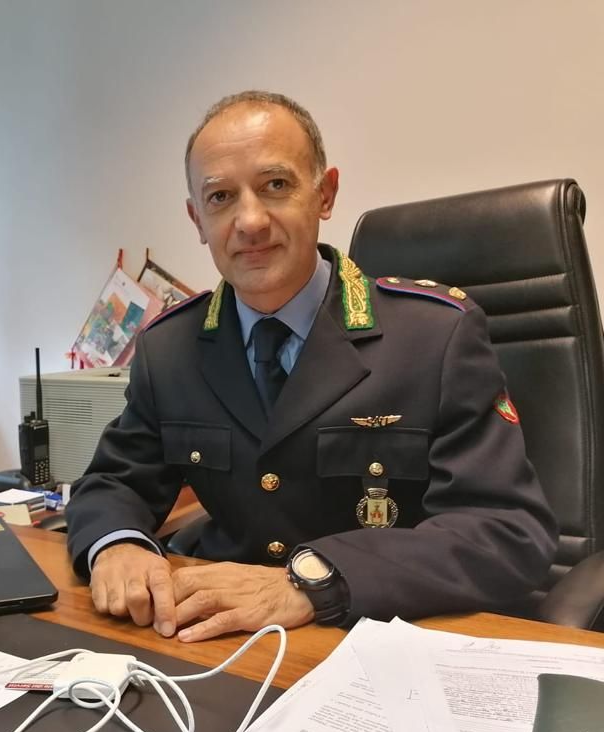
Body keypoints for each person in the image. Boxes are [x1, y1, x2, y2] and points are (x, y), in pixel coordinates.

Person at [64, 90, 558, 643]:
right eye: (221, 197)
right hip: (221, 642)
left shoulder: (435, 336)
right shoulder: (169, 348)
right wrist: (118, 544)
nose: (250, 221)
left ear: (325, 194)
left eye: (276, 185)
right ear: (197, 219)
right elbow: (114, 482)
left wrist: (312, 581)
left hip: (382, 638)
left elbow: (506, 532)